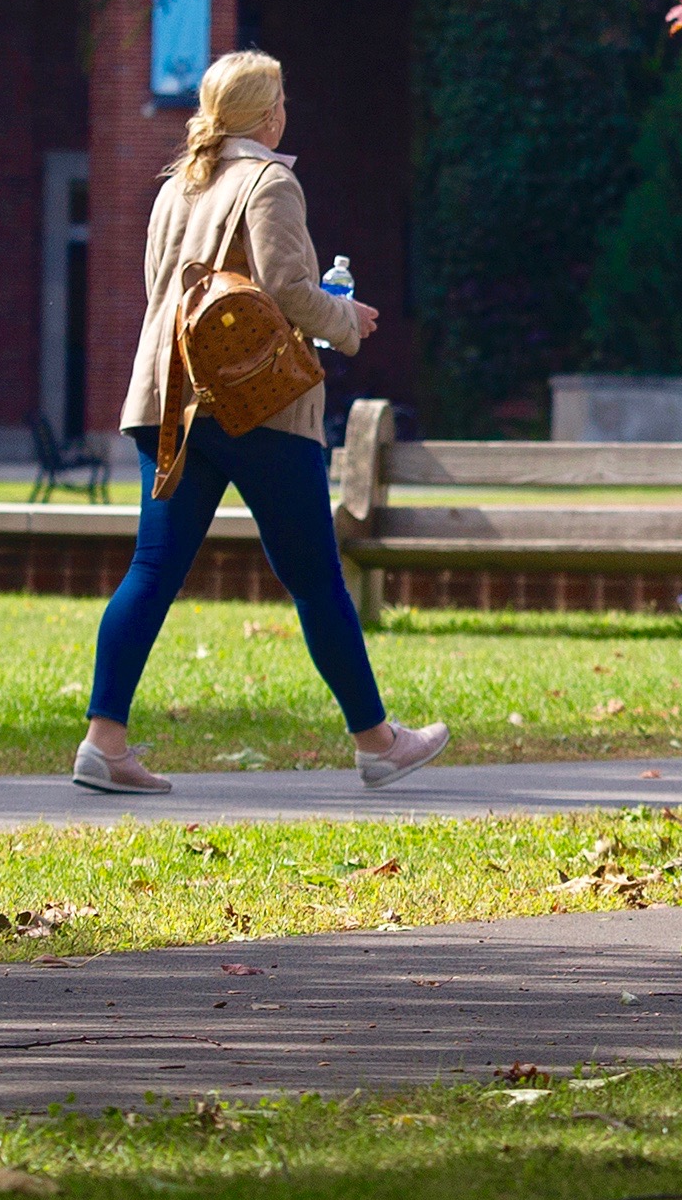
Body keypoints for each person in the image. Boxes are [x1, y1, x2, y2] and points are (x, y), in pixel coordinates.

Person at [79, 48, 450, 794]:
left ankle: (104, 741)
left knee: (152, 569)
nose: (287, 109)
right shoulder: (270, 181)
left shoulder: (176, 186)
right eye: (280, 97)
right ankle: (377, 741)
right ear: (267, 112)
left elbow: (160, 290)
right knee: (314, 576)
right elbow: (286, 289)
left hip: (168, 401)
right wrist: (346, 316)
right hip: (257, 405)